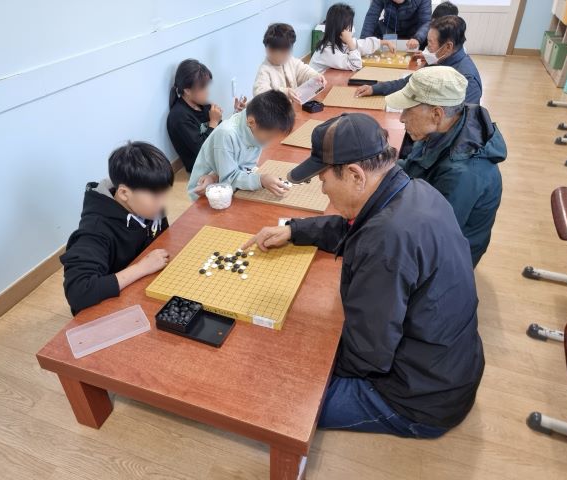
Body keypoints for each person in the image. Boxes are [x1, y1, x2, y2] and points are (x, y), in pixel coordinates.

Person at [242, 113, 483, 437]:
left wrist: (300, 351)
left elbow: (368, 355)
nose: (324, 191)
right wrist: (295, 230)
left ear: (355, 175)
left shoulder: (385, 241)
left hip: (420, 399)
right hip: (449, 366)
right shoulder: (414, 192)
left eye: (324, 180)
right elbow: (355, 228)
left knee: (275, 393)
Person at [385, 66, 506, 267]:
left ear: (436, 114)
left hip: (448, 258)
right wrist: (379, 166)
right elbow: (414, 166)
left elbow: (432, 235)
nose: (401, 118)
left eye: (408, 110)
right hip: (430, 221)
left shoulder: (463, 173)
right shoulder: (446, 128)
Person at [61, 142, 174, 314]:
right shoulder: (95, 231)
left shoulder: (149, 208)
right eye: (156, 196)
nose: (163, 202)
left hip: (140, 287)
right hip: (106, 308)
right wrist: (141, 268)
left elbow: (162, 239)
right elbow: (78, 292)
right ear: (124, 193)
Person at [187, 90, 295, 200]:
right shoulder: (226, 134)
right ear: (251, 122)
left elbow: (243, 167)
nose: (269, 142)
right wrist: (261, 180)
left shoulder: (254, 124)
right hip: (207, 192)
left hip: (227, 180)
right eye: (269, 137)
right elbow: (228, 179)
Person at [356, 15, 482, 104]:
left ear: (448, 46)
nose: (427, 47)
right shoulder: (439, 60)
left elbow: (460, 124)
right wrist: (375, 88)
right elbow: (410, 82)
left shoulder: (467, 81)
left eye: (430, 43)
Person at [167, 59, 247, 173]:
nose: (207, 92)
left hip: (218, 155)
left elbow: (223, 132)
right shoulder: (179, 116)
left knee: (249, 143)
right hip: (202, 167)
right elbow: (202, 149)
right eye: (202, 87)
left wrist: (236, 113)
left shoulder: (203, 105)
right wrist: (213, 122)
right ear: (187, 90)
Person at [310, 3, 395, 74]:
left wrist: (384, 42)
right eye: (349, 25)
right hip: (316, 87)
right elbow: (356, 65)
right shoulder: (327, 51)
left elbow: (362, 45)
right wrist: (350, 42)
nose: (351, 28)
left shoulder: (341, 42)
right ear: (340, 27)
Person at [253, 23, 326, 102]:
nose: (288, 54)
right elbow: (259, 93)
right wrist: (285, 92)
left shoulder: (290, 60)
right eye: (284, 52)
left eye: (289, 50)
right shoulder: (265, 70)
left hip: (293, 106)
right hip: (277, 109)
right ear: (269, 50)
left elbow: (304, 71)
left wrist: (315, 76)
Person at [360, 0, 432, 51]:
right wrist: (363, 43)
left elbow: (426, 22)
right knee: (374, 33)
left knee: (426, 36)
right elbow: (372, 17)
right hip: (389, 29)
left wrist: (417, 38)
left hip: (413, 33)